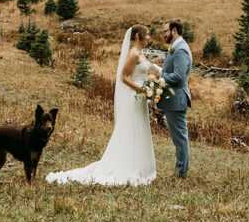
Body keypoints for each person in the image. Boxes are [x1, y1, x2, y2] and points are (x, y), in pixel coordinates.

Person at [46, 25, 157, 186]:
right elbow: (124, 77)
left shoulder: (142, 53)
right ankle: (127, 166)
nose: (149, 38)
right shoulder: (133, 54)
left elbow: (143, 72)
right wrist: (142, 90)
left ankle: (140, 165)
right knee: (131, 129)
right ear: (139, 36)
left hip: (141, 98)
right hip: (135, 96)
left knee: (140, 128)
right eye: (147, 35)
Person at [157, 20, 192, 178]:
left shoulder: (181, 50)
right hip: (173, 99)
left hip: (177, 99)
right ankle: (180, 170)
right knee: (178, 137)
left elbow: (178, 76)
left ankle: (181, 173)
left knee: (180, 138)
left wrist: (160, 75)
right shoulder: (177, 47)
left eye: (166, 31)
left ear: (174, 30)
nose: (163, 34)